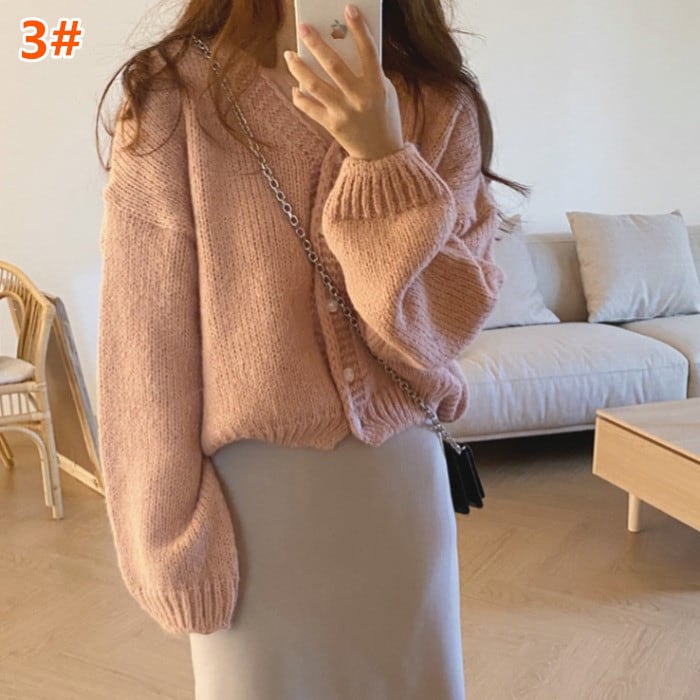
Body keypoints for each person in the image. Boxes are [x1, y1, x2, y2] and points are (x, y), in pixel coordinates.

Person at [95, 1, 528, 698]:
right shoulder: (176, 98)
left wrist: (383, 159)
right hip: (249, 508)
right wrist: (166, 535)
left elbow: (438, 332)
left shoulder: (440, 105)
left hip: (399, 491)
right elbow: (145, 348)